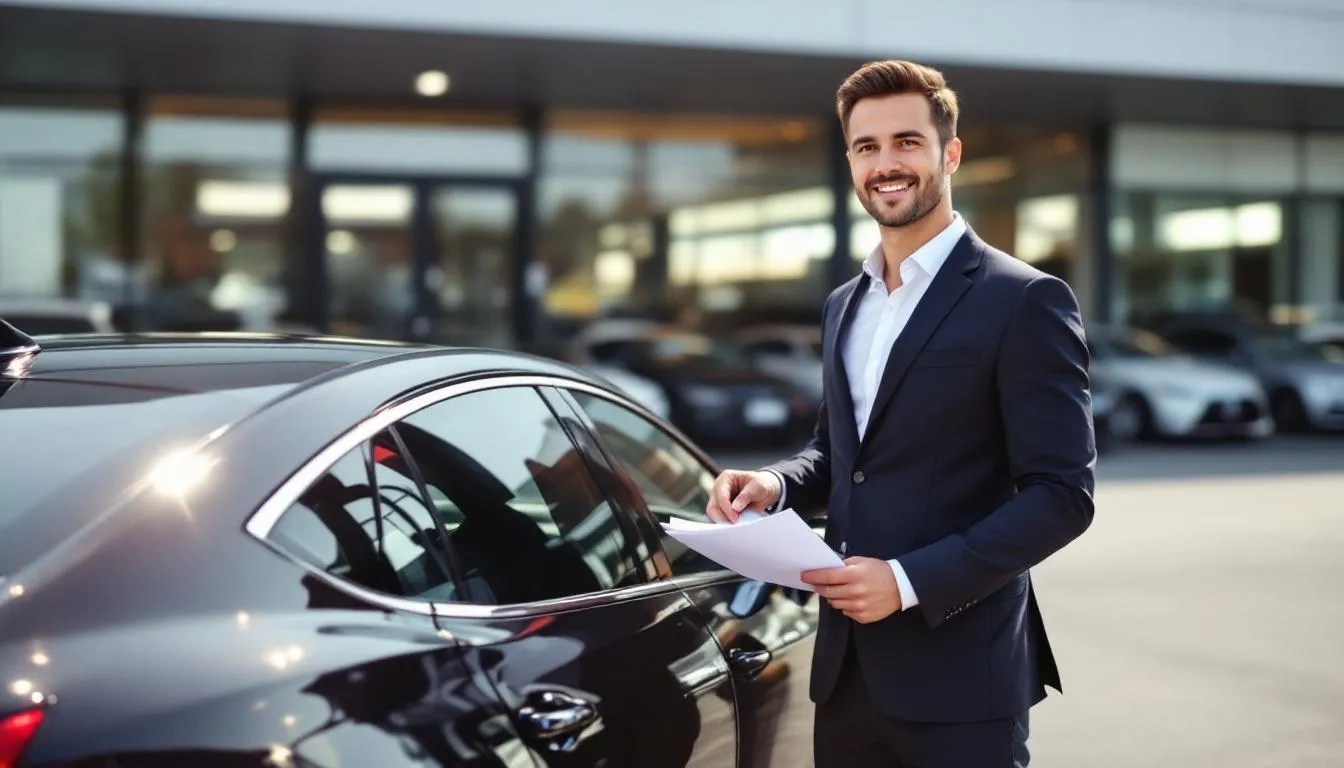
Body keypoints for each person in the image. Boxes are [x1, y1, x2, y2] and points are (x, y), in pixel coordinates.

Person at [705, 59, 1096, 767]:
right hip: (846, 678)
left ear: (949, 153)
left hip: (962, 686)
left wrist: (908, 582)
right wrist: (777, 484)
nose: (885, 164)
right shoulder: (842, 305)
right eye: (866, 146)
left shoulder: (1025, 300)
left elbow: (1063, 496)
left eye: (906, 142)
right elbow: (839, 454)